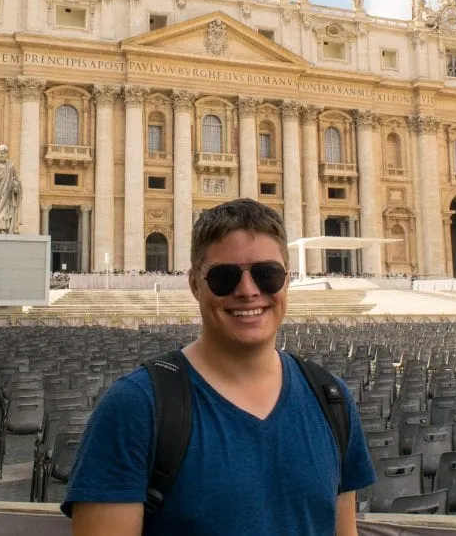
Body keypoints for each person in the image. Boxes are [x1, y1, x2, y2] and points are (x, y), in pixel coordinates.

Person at [63, 198, 375, 535]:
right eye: (224, 277)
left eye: (267, 274)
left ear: (287, 279)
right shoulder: (134, 407)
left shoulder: (333, 400)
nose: (247, 291)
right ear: (195, 284)